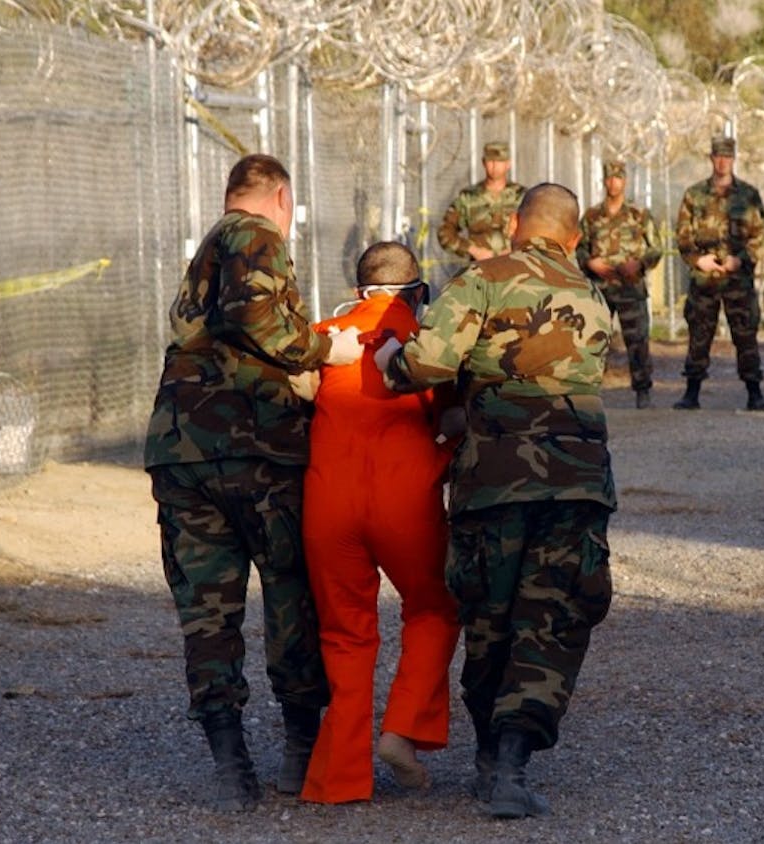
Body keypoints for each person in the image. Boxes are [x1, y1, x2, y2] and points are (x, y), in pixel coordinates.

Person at [375, 184, 615, 820]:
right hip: (576, 479)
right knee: (553, 616)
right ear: (573, 235)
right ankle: (511, 760)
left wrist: (390, 360)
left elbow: (429, 363)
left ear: (514, 224)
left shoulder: (480, 279)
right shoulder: (593, 297)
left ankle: (489, 757)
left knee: (490, 612)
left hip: (495, 479)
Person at [143, 153, 363, 812]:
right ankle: (301, 751)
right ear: (281, 197)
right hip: (256, 450)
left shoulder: (210, 246)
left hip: (185, 450)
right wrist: (329, 352)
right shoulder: (253, 234)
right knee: (293, 597)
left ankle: (229, 763)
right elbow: (256, 317)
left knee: (208, 615)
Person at [298, 243, 462, 803]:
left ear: (358, 286)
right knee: (435, 606)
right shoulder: (424, 343)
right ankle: (402, 731)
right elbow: (455, 414)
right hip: (405, 499)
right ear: (417, 290)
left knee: (344, 634)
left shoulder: (324, 335)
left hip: (328, 502)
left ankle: (338, 780)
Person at [673, 135, 764, 411]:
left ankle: (755, 392)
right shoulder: (695, 195)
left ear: (733, 159)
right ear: (711, 158)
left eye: (727, 156)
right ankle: (691, 392)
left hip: (737, 279)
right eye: (718, 156)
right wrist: (698, 260)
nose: (722, 161)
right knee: (699, 334)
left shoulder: (748, 195)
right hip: (704, 279)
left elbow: (759, 235)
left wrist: (740, 260)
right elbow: (683, 236)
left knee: (745, 335)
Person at [576, 159, 663, 409]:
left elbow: (656, 248)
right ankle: (589, 393)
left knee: (637, 340)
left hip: (630, 287)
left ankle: (642, 391)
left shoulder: (639, 215)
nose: (613, 183)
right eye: (609, 178)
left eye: (618, 178)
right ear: (604, 181)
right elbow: (579, 247)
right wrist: (590, 263)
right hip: (600, 288)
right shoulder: (592, 216)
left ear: (625, 181)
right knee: (593, 341)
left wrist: (640, 264)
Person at [438, 140, 527, 264]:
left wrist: (515, 249)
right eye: (491, 161)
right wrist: (473, 250)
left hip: (514, 267)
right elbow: (445, 232)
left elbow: (536, 231)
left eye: (499, 161)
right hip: (480, 267)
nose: (495, 166)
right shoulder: (469, 197)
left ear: (508, 164)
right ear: (483, 163)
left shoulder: (522, 196)